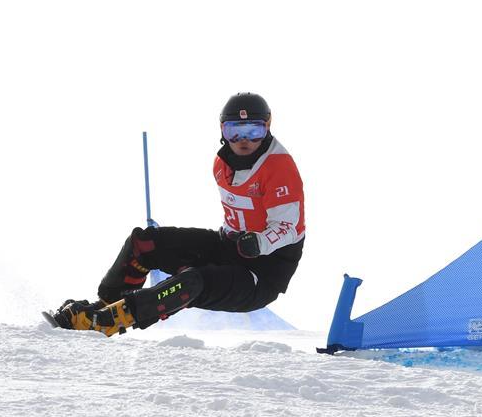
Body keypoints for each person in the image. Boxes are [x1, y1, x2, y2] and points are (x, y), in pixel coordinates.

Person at [46, 92, 305, 335]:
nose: (244, 140)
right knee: (146, 243)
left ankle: (108, 323)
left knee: (192, 282)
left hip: (263, 271)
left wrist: (259, 242)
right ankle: (103, 306)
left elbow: (288, 227)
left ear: (268, 127)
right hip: (231, 245)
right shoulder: (222, 163)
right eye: (235, 131)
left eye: (254, 130)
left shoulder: (279, 167)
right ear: (222, 130)